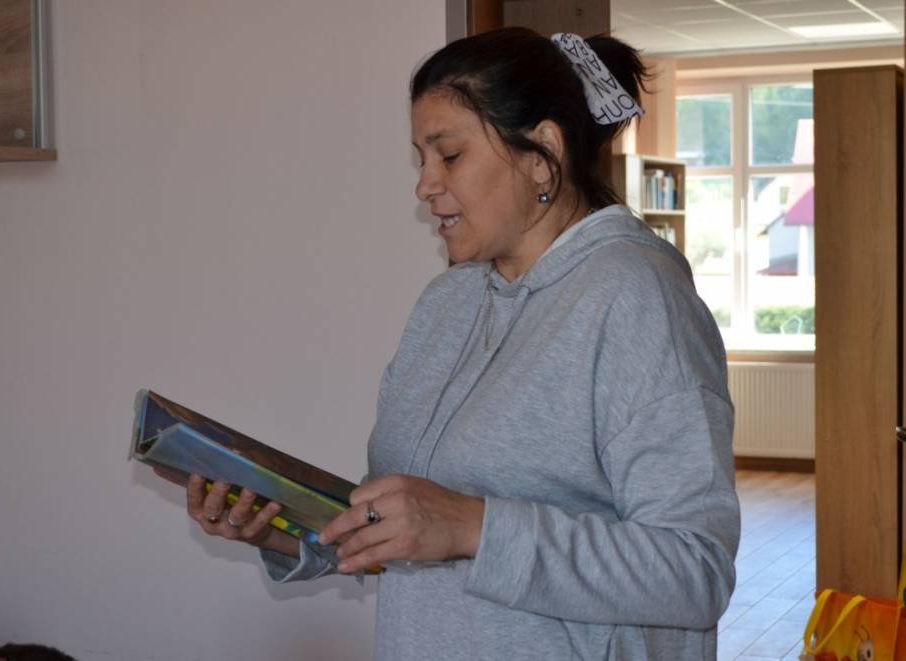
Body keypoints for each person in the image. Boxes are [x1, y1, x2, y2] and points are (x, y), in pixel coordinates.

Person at [182, 27, 741, 660]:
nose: (424, 185)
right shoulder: (447, 302)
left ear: (542, 154)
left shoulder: (638, 298)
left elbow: (693, 571)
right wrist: (284, 527)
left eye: (448, 156)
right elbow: (412, 530)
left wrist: (473, 527)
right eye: (421, 159)